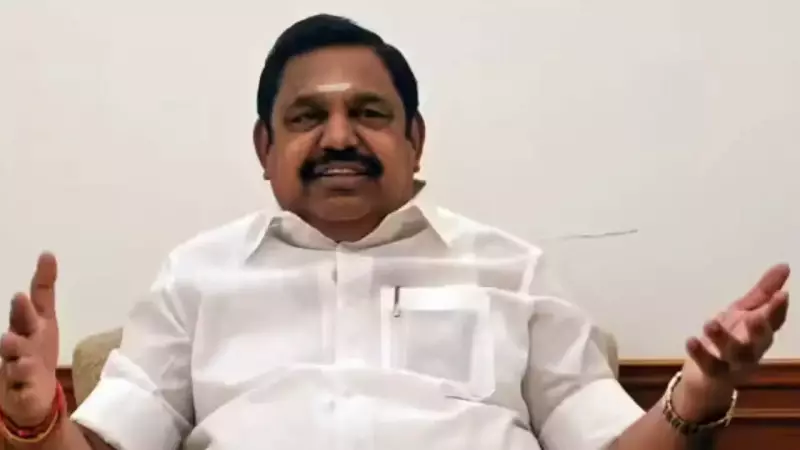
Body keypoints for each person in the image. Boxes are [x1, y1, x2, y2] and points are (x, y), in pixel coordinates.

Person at [0, 13, 791, 450]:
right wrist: (37, 422)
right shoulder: (197, 276)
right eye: (306, 118)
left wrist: (703, 391)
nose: (339, 137)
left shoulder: (508, 269)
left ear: (415, 139)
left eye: (369, 113)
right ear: (265, 149)